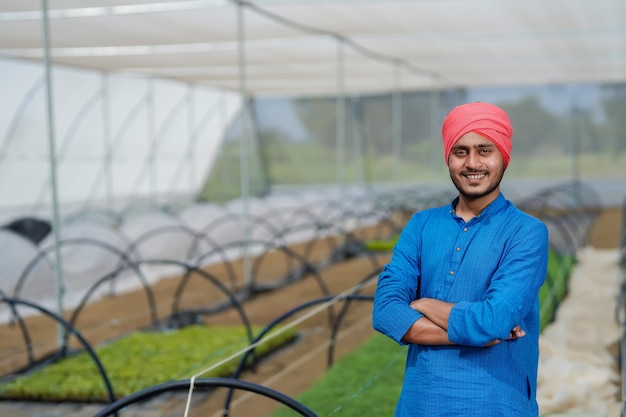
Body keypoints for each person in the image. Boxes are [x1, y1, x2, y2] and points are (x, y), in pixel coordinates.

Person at [372, 101, 549, 416]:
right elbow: (385, 311)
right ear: (448, 159)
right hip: (421, 403)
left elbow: (493, 320)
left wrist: (422, 304)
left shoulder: (527, 232)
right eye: (461, 151)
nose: (472, 163)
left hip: (496, 403)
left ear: (503, 157)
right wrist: (480, 335)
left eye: (484, 150)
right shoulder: (422, 225)